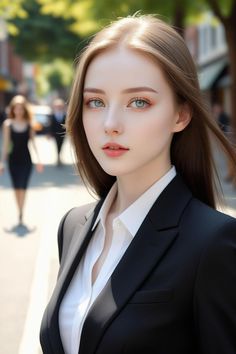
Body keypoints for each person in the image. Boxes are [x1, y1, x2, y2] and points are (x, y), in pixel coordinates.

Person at [40, 14, 236, 354]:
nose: (111, 124)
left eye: (139, 102)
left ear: (181, 115)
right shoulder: (73, 225)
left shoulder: (214, 243)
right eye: (96, 102)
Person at [0, 95, 43, 224]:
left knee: (23, 187)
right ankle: (19, 209)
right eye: (16, 108)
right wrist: (2, 162)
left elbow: (34, 143)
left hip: (26, 160)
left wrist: (39, 160)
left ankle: (21, 212)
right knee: (16, 187)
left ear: (24, 110)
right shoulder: (8, 124)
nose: (19, 111)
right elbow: (6, 145)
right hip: (13, 161)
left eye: (21, 109)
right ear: (13, 109)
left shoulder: (30, 124)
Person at [212, 102, 235, 183]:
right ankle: (230, 175)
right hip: (226, 139)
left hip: (228, 139)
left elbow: (225, 128)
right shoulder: (219, 116)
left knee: (231, 159)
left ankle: (231, 176)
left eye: (216, 108)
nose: (215, 110)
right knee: (230, 159)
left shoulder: (224, 116)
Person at [48, 98, 67, 166]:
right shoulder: (53, 115)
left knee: (61, 145)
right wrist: (50, 134)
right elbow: (50, 125)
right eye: (57, 106)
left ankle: (59, 156)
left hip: (63, 133)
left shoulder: (65, 115)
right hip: (55, 133)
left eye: (60, 106)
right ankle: (58, 158)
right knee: (57, 145)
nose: (59, 107)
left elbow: (66, 124)